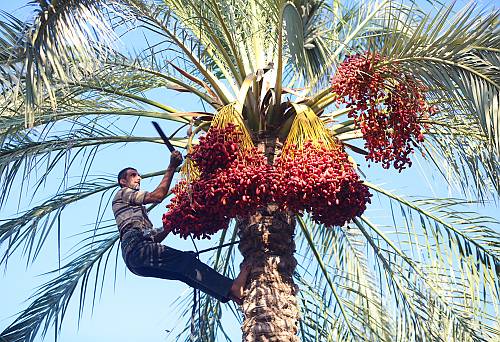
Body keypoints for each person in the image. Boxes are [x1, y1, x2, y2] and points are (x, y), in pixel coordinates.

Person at [112, 151, 249, 304]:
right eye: (133, 175)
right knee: (185, 262)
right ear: (123, 181)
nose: (139, 178)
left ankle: (231, 295)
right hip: (137, 248)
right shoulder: (123, 193)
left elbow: (154, 238)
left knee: (184, 272)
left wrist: (172, 223)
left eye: (138, 175)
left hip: (136, 261)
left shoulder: (135, 211)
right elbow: (157, 196)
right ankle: (233, 287)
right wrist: (171, 167)